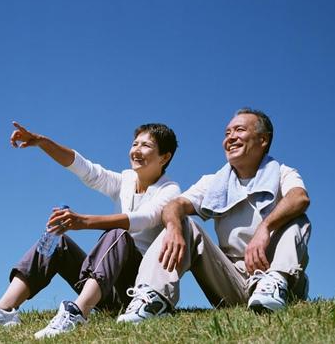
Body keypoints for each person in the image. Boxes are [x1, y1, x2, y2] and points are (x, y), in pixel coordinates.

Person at [0, 121, 180, 338]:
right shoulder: (126, 180)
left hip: (135, 292)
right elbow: (87, 170)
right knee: (58, 242)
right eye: (135, 144)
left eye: (146, 145)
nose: (137, 150)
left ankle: (78, 313)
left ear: (165, 157)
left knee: (118, 233)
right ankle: (3, 311)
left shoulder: (170, 190)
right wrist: (42, 142)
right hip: (104, 282)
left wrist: (84, 221)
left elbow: (143, 219)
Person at [117, 108, 311, 323]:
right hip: (233, 281)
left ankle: (274, 284)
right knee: (182, 222)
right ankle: (152, 298)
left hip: (278, 276)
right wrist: (173, 228)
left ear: (263, 140)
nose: (231, 138)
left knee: (297, 219)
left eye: (239, 130)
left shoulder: (283, 173)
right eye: (227, 133)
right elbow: (175, 205)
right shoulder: (214, 183)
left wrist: (265, 227)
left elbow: (299, 198)